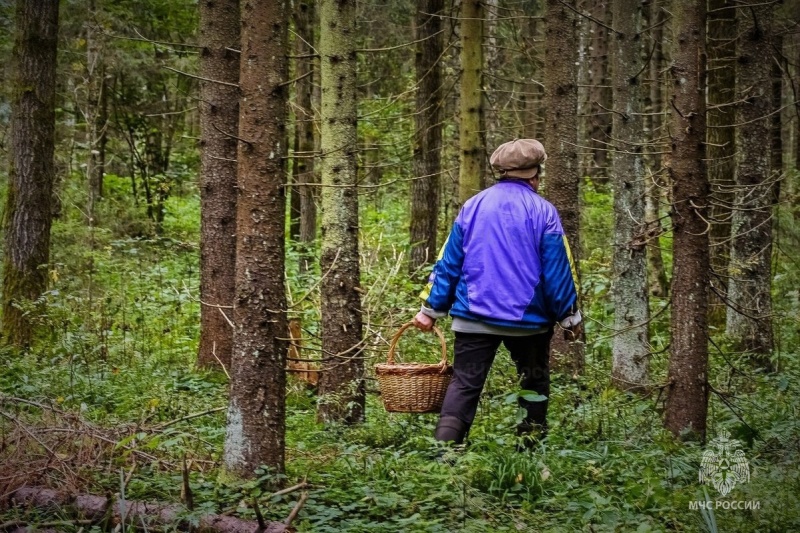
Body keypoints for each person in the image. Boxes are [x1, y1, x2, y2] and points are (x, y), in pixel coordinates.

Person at [413, 138, 581, 447]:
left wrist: (430, 310)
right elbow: (557, 271)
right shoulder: (544, 212)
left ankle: (444, 456)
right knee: (534, 382)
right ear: (535, 174)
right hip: (529, 324)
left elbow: (448, 263)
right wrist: (570, 318)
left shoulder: (473, 206)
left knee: (464, 384)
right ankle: (529, 453)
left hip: (472, 318)